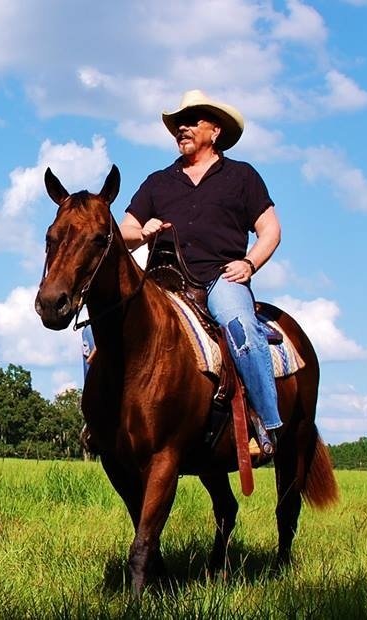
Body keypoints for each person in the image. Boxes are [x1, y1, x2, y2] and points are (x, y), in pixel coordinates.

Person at [119, 90, 283, 453]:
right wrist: (143, 231)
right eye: (178, 123)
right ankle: (103, 423)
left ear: (216, 130)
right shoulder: (158, 182)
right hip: (162, 283)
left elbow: (270, 229)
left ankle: (266, 425)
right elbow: (124, 230)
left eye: (192, 120)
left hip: (217, 280)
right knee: (102, 334)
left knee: (242, 330)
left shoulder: (241, 177)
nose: (182, 128)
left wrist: (249, 262)